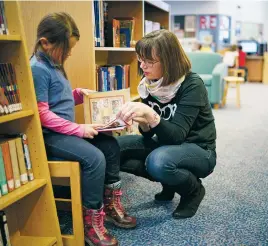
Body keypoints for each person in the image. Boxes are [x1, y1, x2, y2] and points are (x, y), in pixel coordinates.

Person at [30, 12, 135, 246]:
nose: (68, 53)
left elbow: (57, 101)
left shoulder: (53, 64)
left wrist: (78, 94)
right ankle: (91, 224)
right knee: (94, 158)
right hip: (49, 137)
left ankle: (110, 205)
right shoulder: (38, 68)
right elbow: (42, 114)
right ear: (45, 43)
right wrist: (78, 129)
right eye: (65, 48)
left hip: (62, 133)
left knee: (109, 145)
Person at [116, 29, 217, 219]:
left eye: (150, 61)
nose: (143, 66)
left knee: (158, 161)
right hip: (167, 144)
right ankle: (170, 183)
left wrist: (151, 115)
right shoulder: (150, 83)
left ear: (169, 60)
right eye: (140, 60)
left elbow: (177, 135)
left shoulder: (192, 85)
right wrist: (143, 122)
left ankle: (193, 191)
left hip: (199, 149)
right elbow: (148, 133)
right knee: (114, 148)